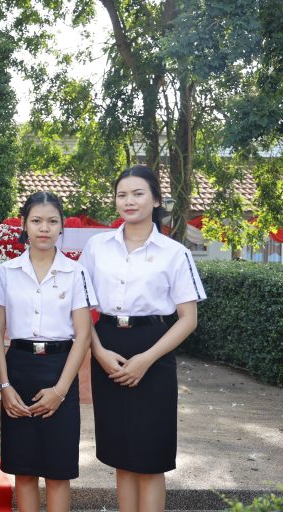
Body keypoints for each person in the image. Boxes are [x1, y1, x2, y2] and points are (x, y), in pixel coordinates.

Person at [79, 165, 206, 512]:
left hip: (154, 348)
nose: (129, 201)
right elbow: (80, 308)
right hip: (107, 345)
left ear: (156, 200)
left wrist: (147, 359)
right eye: (122, 195)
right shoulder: (97, 247)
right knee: (121, 455)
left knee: (151, 458)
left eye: (138, 194)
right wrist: (99, 353)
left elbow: (188, 319)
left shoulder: (174, 252)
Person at [0, 191, 96, 512]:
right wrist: (4, 387)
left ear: (62, 226)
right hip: (18, 369)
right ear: (24, 224)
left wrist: (61, 391)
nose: (44, 228)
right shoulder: (7, 272)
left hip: (60, 369)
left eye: (52, 221)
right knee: (23, 471)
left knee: (58, 472)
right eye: (36, 221)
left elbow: (83, 335)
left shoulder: (75, 272)